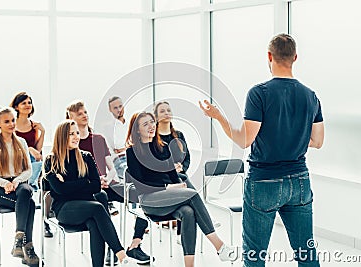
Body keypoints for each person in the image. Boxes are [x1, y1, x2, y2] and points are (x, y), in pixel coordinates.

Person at [199, 33, 324, 267]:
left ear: (269, 56)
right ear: (295, 57)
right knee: (306, 252)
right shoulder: (311, 96)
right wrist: (291, 136)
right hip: (299, 181)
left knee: (255, 255)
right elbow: (317, 141)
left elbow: (244, 140)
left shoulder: (259, 93)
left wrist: (219, 117)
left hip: (264, 181)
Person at [126, 112, 237, 267]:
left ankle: (189, 265)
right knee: (191, 195)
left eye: (152, 122)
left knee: (188, 212)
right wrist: (169, 187)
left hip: (168, 198)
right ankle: (219, 246)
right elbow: (141, 184)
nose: (151, 126)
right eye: (145, 124)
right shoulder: (132, 152)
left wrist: (177, 185)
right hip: (149, 200)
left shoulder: (163, 147)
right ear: (137, 130)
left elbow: (172, 175)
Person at [66, 100, 151, 265]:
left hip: (109, 183)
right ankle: (111, 249)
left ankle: (136, 243)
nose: (84, 115)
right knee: (100, 197)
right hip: (90, 189)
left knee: (143, 193)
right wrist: (96, 181)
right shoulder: (72, 143)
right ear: (71, 117)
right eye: (79, 113)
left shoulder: (98, 139)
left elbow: (111, 167)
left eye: (85, 112)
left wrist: (108, 177)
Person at [44, 120, 136, 267]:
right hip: (64, 209)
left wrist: (69, 184)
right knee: (98, 207)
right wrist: (84, 182)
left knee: (95, 222)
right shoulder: (52, 160)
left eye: (77, 133)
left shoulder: (86, 157)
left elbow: (95, 187)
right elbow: (60, 191)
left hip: (85, 206)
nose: (76, 137)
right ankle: (120, 253)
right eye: (71, 134)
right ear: (62, 137)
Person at [0, 107, 39, 267]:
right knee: (31, 204)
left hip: (18, 185)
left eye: (13, 120)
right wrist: (5, 183)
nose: (12, 124)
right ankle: (28, 248)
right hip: (0, 189)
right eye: (7, 121)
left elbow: (28, 170)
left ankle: (19, 240)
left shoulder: (21, 142)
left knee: (26, 191)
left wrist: (16, 181)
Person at [9, 92, 53, 238]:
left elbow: (38, 150)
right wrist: (28, 149)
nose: (28, 105)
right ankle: (32, 182)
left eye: (29, 102)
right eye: (24, 103)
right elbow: (12, 148)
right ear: (16, 106)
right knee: (34, 160)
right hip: (17, 164)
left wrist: (43, 132)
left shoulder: (34, 126)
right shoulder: (11, 125)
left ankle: (46, 221)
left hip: (34, 163)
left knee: (47, 181)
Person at [153, 101, 191, 232]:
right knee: (183, 181)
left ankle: (182, 234)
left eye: (168, 110)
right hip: (161, 180)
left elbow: (187, 158)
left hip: (179, 175)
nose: (166, 113)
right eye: (162, 111)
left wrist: (181, 168)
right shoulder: (153, 137)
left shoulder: (179, 135)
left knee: (182, 178)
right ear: (156, 117)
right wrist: (170, 169)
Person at [106, 96, 128, 178]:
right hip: (120, 161)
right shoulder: (109, 128)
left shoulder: (131, 124)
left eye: (120, 106)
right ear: (110, 110)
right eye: (115, 108)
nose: (119, 110)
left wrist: (123, 148)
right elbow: (114, 149)